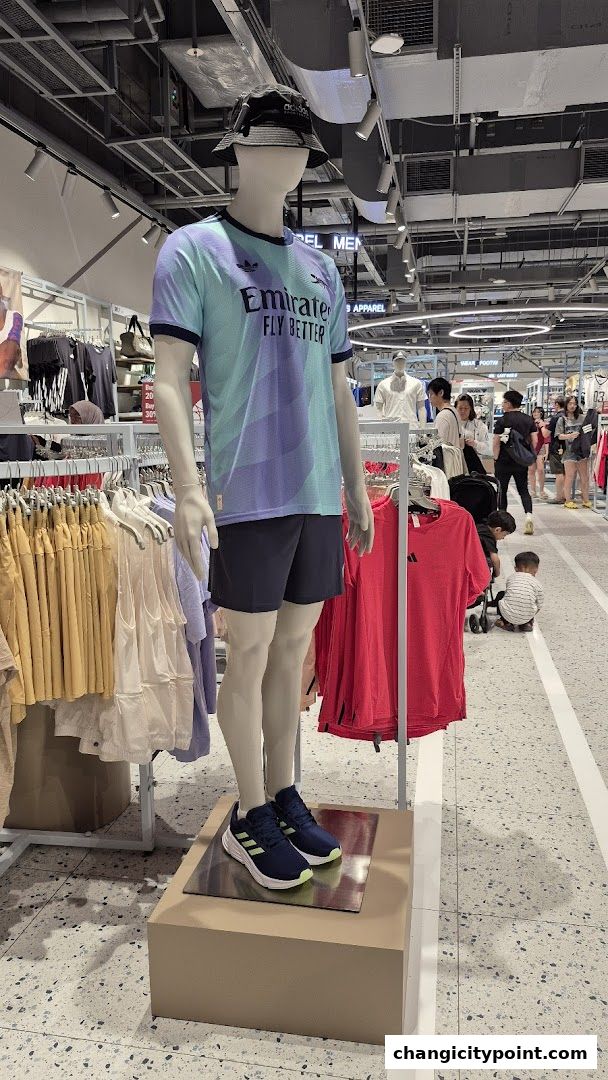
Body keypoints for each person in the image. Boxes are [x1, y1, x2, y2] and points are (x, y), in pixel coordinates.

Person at [493, 390, 537, 535]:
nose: (503, 404)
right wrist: (528, 455)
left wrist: (495, 458)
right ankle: (528, 515)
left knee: (502, 490)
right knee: (523, 490)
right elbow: (535, 440)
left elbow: (496, 442)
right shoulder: (528, 420)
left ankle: (503, 520)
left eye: (504, 402)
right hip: (521, 462)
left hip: (503, 461)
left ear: (509, 403)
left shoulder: (502, 420)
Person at [555, 394, 592, 509]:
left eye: (575, 404)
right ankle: (568, 500)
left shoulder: (582, 418)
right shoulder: (562, 419)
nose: (572, 406)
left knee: (584, 477)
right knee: (569, 477)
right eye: (570, 403)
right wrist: (569, 436)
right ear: (566, 405)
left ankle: (585, 499)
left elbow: (589, 432)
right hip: (569, 451)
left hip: (581, 451)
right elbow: (558, 435)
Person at [496, 551, 543, 632]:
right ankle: (526, 624)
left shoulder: (511, 578)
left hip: (508, 615)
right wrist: (529, 615)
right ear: (536, 569)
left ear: (516, 568)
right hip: (527, 616)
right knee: (531, 600)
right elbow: (539, 605)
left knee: (501, 594)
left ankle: (505, 622)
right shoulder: (537, 583)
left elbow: (508, 595)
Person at [456, 393, 491, 472]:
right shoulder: (452, 424)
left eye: (466, 408)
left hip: (474, 466)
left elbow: (486, 447)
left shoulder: (479, 425)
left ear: (471, 409)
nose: (463, 411)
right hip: (456, 465)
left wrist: (475, 443)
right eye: (460, 408)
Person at [476, 509, 516, 579]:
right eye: (504, 534)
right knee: (489, 561)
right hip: (470, 561)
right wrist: (497, 573)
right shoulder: (488, 536)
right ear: (497, 530)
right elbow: (495, 559)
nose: (503, 538)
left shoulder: (480, 526)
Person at [428, 377, 463, 448]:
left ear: (441, 393)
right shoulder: (454, 411)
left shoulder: (443, 415)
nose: (429, 398)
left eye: (431, 394)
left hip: (446, 455)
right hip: (455, 453)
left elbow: (438, 445)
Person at [546, 395, 566, 503]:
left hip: (556, 447)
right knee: (566, 473)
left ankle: (559, 497)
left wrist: (542, 426)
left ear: (557, 404)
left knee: (559, 473)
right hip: (567, 447)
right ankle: (565, 495)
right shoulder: (568, 416)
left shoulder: (555, 418)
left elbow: (546, 434)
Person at [529, 405, 550, 500]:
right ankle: (533, 490)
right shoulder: (530, 423)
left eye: (538, 412)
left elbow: (546, 437)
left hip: (541, 448)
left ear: (541, 414)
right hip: (531, 448)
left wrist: (547, 451)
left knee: (541, 470)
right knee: (531, 470)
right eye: (534, 412)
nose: (536, 413)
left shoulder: (544, 424)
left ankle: (542, 490)